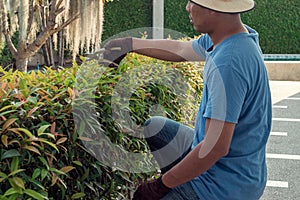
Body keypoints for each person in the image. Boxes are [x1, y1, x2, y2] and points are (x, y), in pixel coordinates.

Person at [101, 0, 272, 199]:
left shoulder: (229, 62)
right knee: (157, 127)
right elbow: (181, 50)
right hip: (240, 170)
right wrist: (129, 44)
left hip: (224, 186)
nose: (187, 7)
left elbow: (215, 147)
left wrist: (160, 186)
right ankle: (181, 183)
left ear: (214, 9)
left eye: (192, 2)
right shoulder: (234, 37)